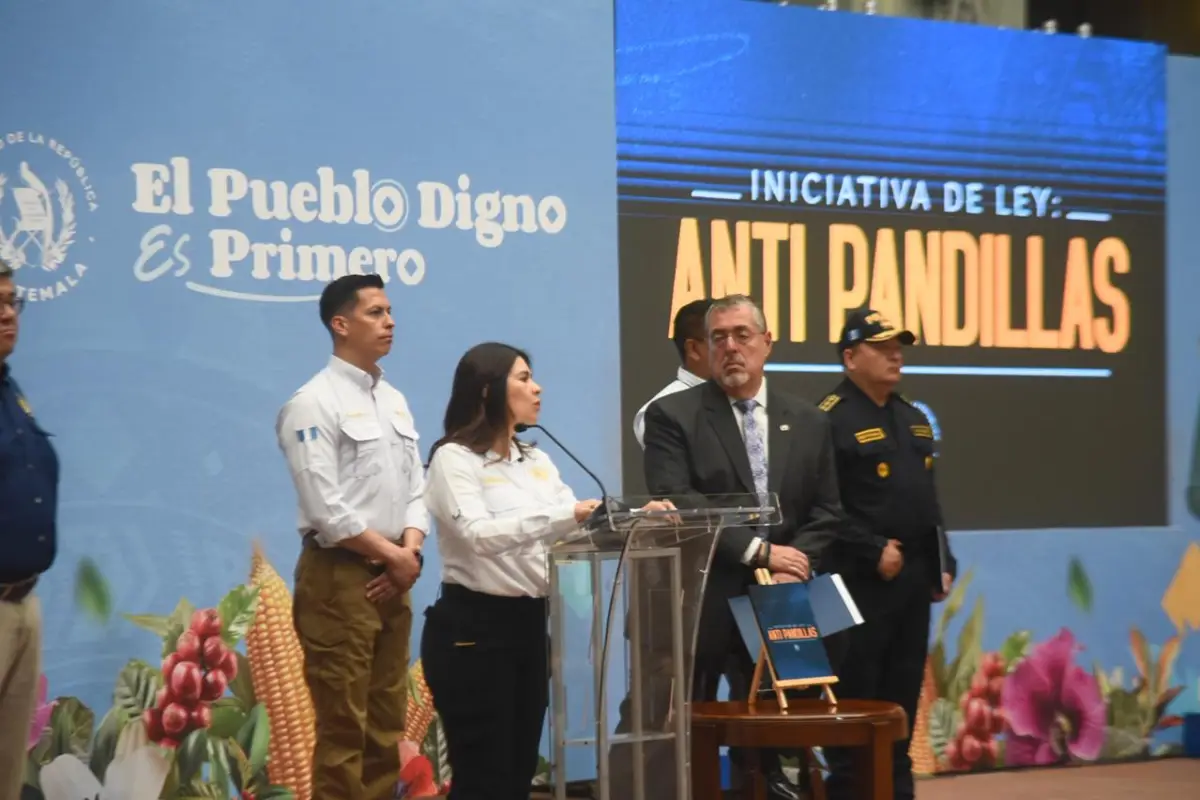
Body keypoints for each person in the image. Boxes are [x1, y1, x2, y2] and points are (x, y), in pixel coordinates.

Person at [419, 342, 672, 800]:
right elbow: (477, 536)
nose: (537, 388)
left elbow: (579, 529)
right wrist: (566, 516)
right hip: (473, 630)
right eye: (522, 378)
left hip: (531, 626)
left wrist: (637, 518)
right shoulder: (453, 459)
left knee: (517, 773)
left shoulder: (537, 460)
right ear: (486, 390)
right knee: (483, 775)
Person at [639, 293, 846, 800]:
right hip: (706, 598)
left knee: (780, 734)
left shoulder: (810, 420)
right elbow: (679, 500)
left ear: (767, 343)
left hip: (785, 597)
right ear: (706, 349)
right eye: (718, 338)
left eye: (742, 335)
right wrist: (757, 553)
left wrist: (794, 564)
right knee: (698, 728)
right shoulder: (674, 415)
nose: (730, 348)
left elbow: (827, 511)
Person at [275, 273, 429, 800]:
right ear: (340, 325)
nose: (389, 322)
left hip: (393, 575)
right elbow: (326, 509)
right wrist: (395, 557)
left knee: (386, 729)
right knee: (343, 732)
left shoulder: (395, 401)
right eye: (375, 313)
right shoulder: (312, 403)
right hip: (339, 578)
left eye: (390, 312)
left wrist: (407, 552)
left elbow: (416, 488)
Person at [817, 308, 958, 800]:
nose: (895, 354)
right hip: (857, 585)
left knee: (900, 704)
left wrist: (943, 559)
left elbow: (927, 500)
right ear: (851, 356)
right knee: (858, 704)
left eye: (898, 345)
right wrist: (872, 548)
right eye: (881, 347)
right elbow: (821, 507)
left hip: (912, 582)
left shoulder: (913, 418)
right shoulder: (828, 418)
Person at [0, 259, 60, 800]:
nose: (7, 315)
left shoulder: (10, 388)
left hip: (23, 602)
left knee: (6, 776)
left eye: (11, 302)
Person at [632, 298, 713, 448]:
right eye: (719, 338)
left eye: (741, 337)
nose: (733, 347)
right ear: (693, 349)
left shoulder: (750, 402)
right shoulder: (659, 413)